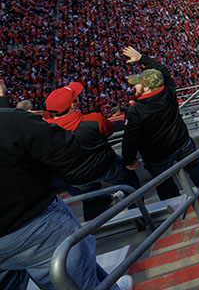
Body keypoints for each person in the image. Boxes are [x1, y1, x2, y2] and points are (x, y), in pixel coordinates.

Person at [0, 78, 133, 290]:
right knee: (78, 281)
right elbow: (68, 149)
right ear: (73, 105)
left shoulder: (31, 121)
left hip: (69, 184)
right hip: (36, 225)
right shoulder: (15, 121)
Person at [121, 46, 199, 200]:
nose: (134, 86)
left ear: (147, 87)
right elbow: (162, 69)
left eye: (138, 83)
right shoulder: (169, 91)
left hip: (158, 155)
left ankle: (177, 213)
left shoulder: (135, 111)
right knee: (196, 169)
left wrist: (129, 160)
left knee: (164, 183)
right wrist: (141, 58)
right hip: (182, 143)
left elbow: (130, 139)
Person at [44, 82, 140, 220]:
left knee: (90, 199)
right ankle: (140, 216)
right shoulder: (93, 119)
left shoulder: (45, 132)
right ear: (73, 105)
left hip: (75, 176)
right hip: (106, 167)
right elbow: (109, 130)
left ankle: (95, 231)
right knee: (131, 182)